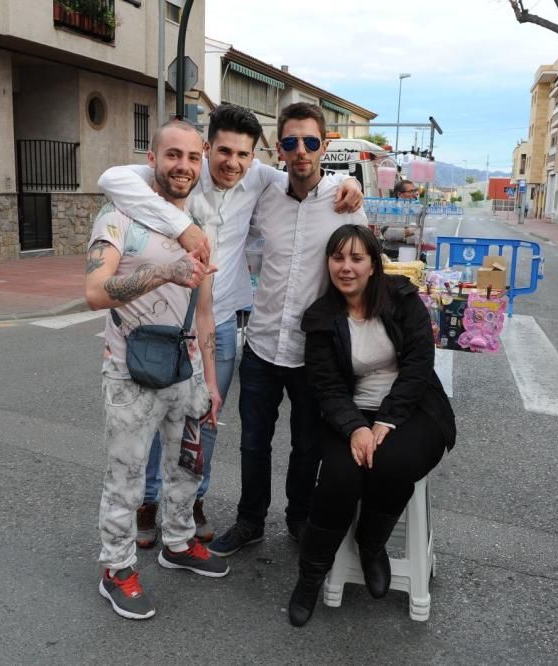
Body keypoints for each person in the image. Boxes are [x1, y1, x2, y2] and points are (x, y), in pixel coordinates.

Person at [98, 104, 363, 548]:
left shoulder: (262, 179)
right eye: (223, 151)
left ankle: (192, 501)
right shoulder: (183, 171)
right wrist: (183, 226)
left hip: (219, 321)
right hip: (161, 320)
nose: (232, 163)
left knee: (204, 419)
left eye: (243, 155)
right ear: (207, 147)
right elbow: (111, 179)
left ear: (256, 156)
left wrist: (349, 183)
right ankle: (147, 501)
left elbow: (308, 179)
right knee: (154, 415)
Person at [208, 102, 369, 557]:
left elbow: (362, 268)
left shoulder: (345, 204)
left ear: (325, 146)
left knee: (306, 447)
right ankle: (250, 520)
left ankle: (299, 519)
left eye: (311, 142)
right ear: (279, 148)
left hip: (312, 353)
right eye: (292, 142)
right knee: (253, 443)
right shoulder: (265, 193)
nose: (302, 152)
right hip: (260, 344)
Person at [85, 120, 228, 622]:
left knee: (187, 466)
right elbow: (95, 292)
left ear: (202, 158)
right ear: (152, 157)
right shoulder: (118, 215)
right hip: (129, 370)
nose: (182, 167)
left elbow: (205, 310)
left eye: (192, 157)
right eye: (172, 155)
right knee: (125, 476)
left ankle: (179, 542)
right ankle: (117, 569)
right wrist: (165, 271)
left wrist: (210, 379)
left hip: (185, 367)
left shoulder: (204, 225)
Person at [287, 225, 455, 627]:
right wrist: (356, 428)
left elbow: (419, 364)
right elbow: (326, 386)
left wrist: (388, 419)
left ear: (373, 264)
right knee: (340, 478)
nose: (346, 268)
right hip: (350, 413)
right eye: (338, 258)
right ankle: (309, 578)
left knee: (393, 463)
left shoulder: (401, 298)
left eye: (356, 258)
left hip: (412, 407)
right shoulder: (321, 318)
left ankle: (370, 543)